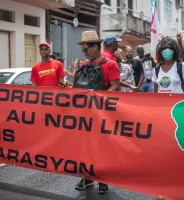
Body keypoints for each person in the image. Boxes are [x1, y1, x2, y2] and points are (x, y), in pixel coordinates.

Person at [74, 31, 120, 194]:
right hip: (85, 115)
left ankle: (102, 179)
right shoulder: (83, 66)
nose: (84, 52)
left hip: (102, 114)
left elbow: (115, 85)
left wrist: (99, 99)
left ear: (95, 47)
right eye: (83, 50)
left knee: (101, 148)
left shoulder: (110, 64)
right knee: (85, 147)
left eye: (86, 49)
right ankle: (86, 177)